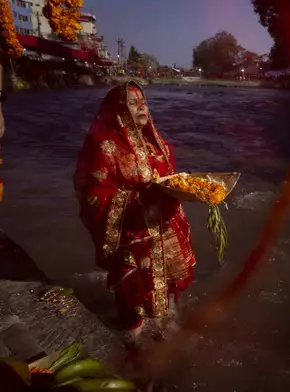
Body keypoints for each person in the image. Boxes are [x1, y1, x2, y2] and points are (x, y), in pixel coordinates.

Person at [73, 81, 196, 342]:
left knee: (164, 287)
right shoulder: (104, 146)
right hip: (131, 230)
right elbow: (91, 193)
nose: (141, 107)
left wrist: (183, 191)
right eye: (132, 103)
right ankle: (129, 343)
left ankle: (162, 336)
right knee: (132, 293)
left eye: (143, 102)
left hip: (162, 225)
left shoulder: (158, 142)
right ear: (118, 109)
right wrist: (136, 199)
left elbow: (172, 179)